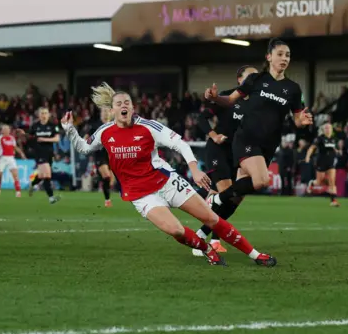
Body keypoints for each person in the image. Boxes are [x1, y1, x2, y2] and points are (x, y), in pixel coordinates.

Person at [60, 82, 277, 267]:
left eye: (127, 103)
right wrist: (70, 129)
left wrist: (193, 168)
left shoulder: (148, 127)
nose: (124, 106)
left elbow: (180, 143)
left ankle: (255, 255)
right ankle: (206, 248)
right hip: (141, 194)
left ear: (133, 107)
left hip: (167, 182)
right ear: (113, 110)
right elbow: (83, 148)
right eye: (119, 104)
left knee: (210, 217)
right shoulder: (104, 132)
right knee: (176, 231)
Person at [203, 38, 313, 222]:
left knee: (236, 197)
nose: (284, 58)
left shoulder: (293, 89)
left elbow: (297, 119)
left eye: (287, 55)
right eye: (280, 54)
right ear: (269, 57)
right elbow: (230, 100)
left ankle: (204, 233)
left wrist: (302, 121)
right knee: (262, 181)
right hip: (246, 138)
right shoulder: (256, 79)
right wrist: (215, 98)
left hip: (268, 146)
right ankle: (217, 198)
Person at [193, 65, 258, 255]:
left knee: (236, 198)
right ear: (239, 80)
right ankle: (213, 240)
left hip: (237, 155)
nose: (255, 79)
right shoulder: (227, 98)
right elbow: (201, 118)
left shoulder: (256, 105)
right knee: (227, 193)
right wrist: (213, 135)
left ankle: (202, 236)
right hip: (218, 151)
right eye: (250, 76)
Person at [18, 107, 60, 204]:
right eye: (42, 113)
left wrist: (44, 139)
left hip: (49, 153)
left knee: (41, 176)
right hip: (39, 153)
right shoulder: (35, 126)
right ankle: (51, 198)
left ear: (48, 115)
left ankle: (32, 184)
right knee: (47, 175)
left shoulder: (53, 125)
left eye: (45, 113)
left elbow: (57, 139)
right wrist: (23, 138)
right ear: (39, 115)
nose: (44, 115)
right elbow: (29, 138)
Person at [305, 123, 340, 207]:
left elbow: (334, 148)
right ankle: (312, 184)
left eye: (329, 128)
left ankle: (333, 201)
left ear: (331, 130)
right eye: (326, 128)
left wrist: (337, 151)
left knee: (332, 181)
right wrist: (307, 157)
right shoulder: (320, 139)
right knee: (319, 181)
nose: (328, 130)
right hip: (321, 162)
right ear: (324, 130)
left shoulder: (334, 139)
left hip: (330, 163)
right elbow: (312, 148)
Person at [0, 124, 26, 198]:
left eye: (8, 129)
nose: (7, 130)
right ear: (2, 131)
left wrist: (21, 153)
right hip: (2, 158)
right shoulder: (0, 138)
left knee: (15, 175)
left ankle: (18, 191)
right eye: (5, 129)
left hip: (11, 158)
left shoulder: (12, 138)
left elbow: (15, 147)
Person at [93, 108, 115, 208]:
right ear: (101, 114)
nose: (106, 114)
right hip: (100, 155)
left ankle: (98, 177)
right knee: (106, 176)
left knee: (110, 181)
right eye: (104, 112)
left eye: (107, 112)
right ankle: (107, 200)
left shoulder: (115, 125)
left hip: (112, 155)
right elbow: (87, 138)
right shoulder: (95, 125)